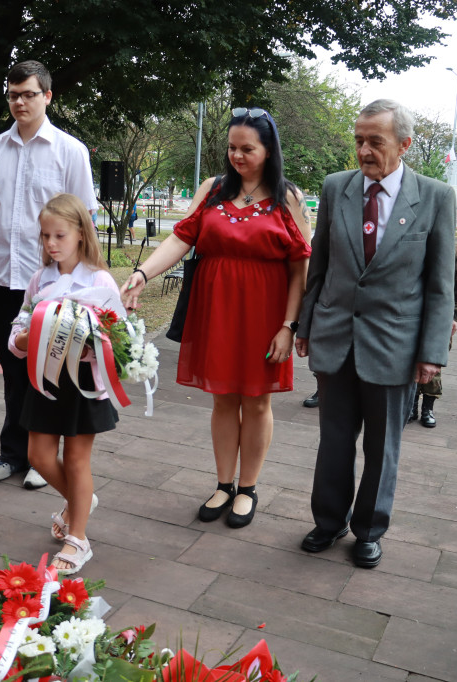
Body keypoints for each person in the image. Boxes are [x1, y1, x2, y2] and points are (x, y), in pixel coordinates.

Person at [122, 106, 312, 529]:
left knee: (257, 400)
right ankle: (223, 484)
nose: (237, 156)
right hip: (218, 309)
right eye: (232, 147)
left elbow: (300, 266)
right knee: (223, 398)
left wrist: (289, 325)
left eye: (248, 149)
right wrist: (141, 274)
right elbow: (181, 237)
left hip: (265, 311)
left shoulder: (288, 197)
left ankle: (248, 488)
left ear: (269, 150)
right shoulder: (212, 189)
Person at [293, 99, 455, 569]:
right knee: (334, 440)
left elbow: (439, 286)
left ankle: (368, 529)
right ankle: (328, 522)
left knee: (383, 448)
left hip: (395, 346)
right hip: (336, 338)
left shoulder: (435, 197)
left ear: (403, 145)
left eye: (375, 142)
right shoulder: (335, 188)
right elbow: (319, 264)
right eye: (359, 140)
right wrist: (306, 324)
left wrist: (432, 354)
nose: (364, 150)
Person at [0, 59, 98, 489]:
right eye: (13, 95)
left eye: (29, 94)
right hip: (3, 279)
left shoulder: (70, 151)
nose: (20, 102)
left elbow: (85, 221)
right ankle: (13, 454)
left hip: (52, 283)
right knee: (12, 367)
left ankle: (46, 457)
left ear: (48, 96)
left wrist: (86, 281)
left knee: (52, 369)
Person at [9, 193, 122, 574]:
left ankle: (77, 541)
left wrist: (86, 341)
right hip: (45, 381)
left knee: (76, 460)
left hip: (83, 385)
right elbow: (19, 328)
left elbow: (116, 338)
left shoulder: (100, 280)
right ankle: (80, 501)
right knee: (39, 457)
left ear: (80, 233)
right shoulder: (40, 279)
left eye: (59, 235)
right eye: (45, 236)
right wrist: (23, 340)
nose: (51, 244)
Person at [409, 243, 457, 428]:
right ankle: (411, 406)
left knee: (433, 361)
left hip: (440, 316)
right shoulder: (413, 243)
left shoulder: (455, 249)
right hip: (411, 313)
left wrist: (456, 317)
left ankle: (428, 407)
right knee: (410, 359)